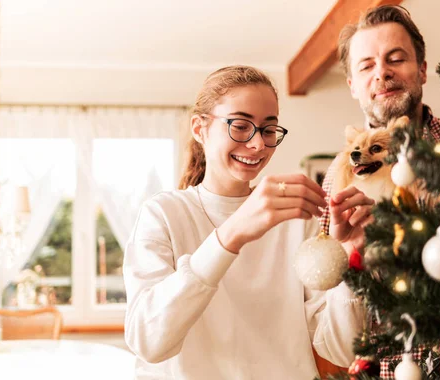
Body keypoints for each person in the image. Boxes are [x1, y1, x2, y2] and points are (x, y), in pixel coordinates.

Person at [123, 65, 364, 379]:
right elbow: (148, 342)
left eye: (268, 129)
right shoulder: (164, 214)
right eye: (240, 125)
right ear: (200, 128)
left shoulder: (297, 220)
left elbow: (343, 351)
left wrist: (349, 257)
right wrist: (232, 234)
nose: (257, 145)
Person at [319, 5, 440, 250]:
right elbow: (320, 275)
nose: (382, 72)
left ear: (422, 70)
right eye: (366, 66)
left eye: (396, 59)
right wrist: (346, 248)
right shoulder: (338, 174)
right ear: (352, 87)